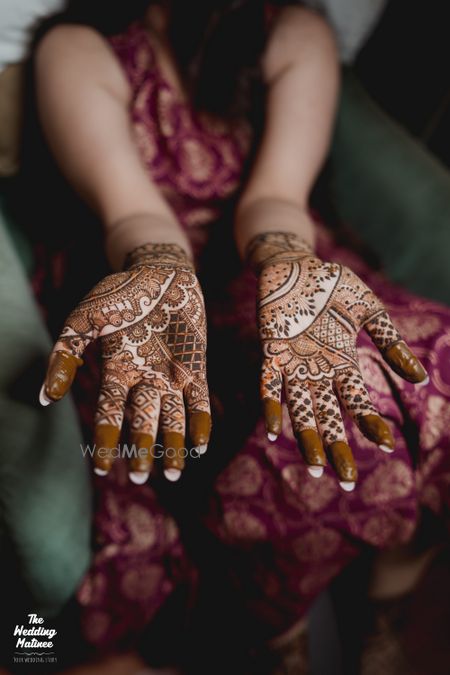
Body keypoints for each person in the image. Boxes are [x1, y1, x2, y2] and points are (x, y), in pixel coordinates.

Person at [30, 0, 449, 669]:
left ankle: (381, 604)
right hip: (146, 291)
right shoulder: (81, 48)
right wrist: (163, 273)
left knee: (425, 372)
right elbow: (134, 211)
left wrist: (286, 262)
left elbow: (275, 196)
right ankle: (273, 620)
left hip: (269, 267)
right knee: (280, 426)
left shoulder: (294, 33)